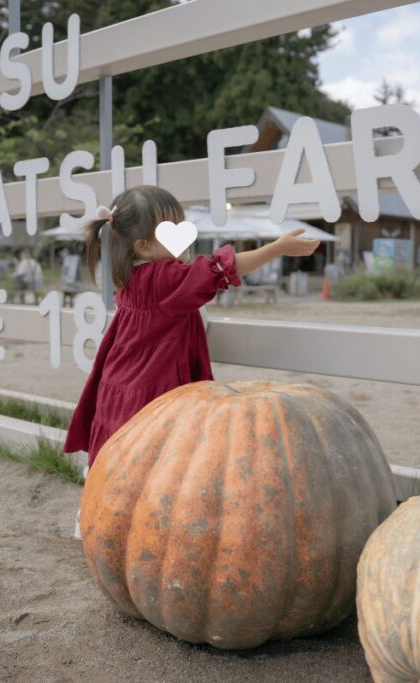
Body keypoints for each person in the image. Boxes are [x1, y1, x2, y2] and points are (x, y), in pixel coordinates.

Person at [64, 185, 319, 539]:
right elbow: (219, 270)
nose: (184, 233)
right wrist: (276, 248)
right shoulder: (163, 277)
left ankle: (93, 517)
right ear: (143, 246)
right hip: (150, 391)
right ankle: (136, 529)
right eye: (171, 227)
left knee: (118, 456)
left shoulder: (130, 277)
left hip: (119, 385)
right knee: (155, 459)